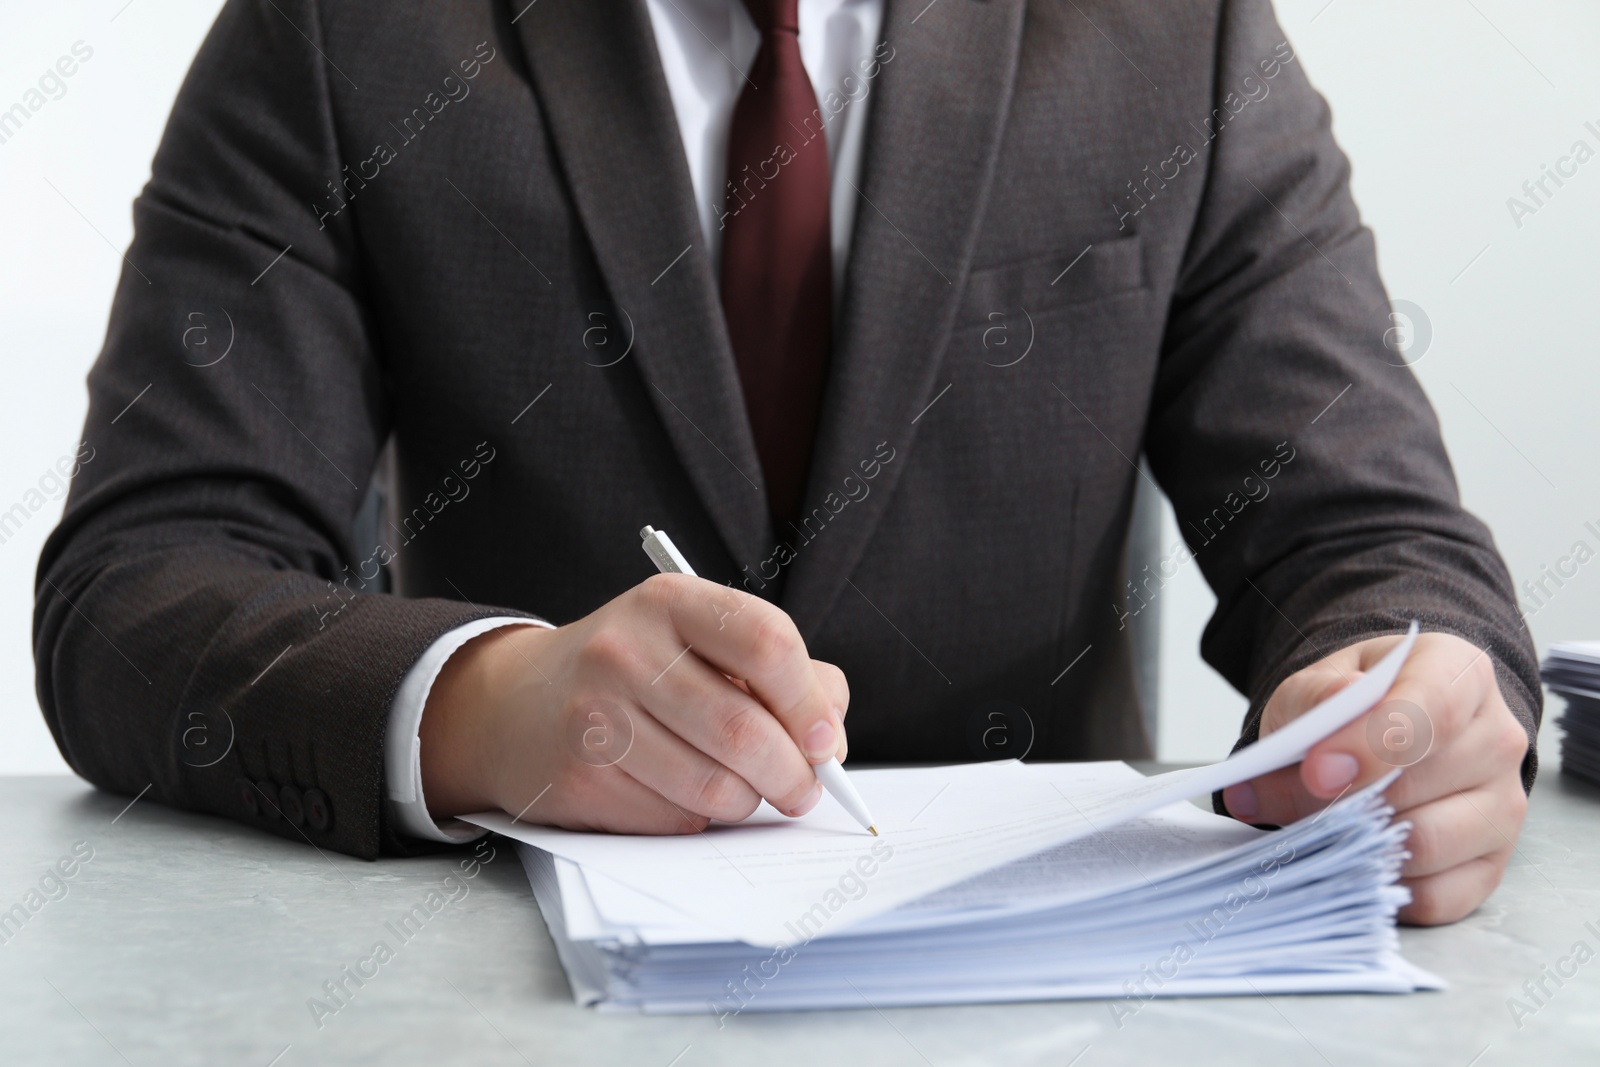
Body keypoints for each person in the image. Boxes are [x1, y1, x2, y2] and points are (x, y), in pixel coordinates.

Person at [35, 0, 1536, 928]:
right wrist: (485, 709)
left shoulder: (1175, 30)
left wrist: (1405, 695)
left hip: (1048, 987)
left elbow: (1375, 537)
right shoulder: (340, 31)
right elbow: (136, 587)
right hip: (496, 991)